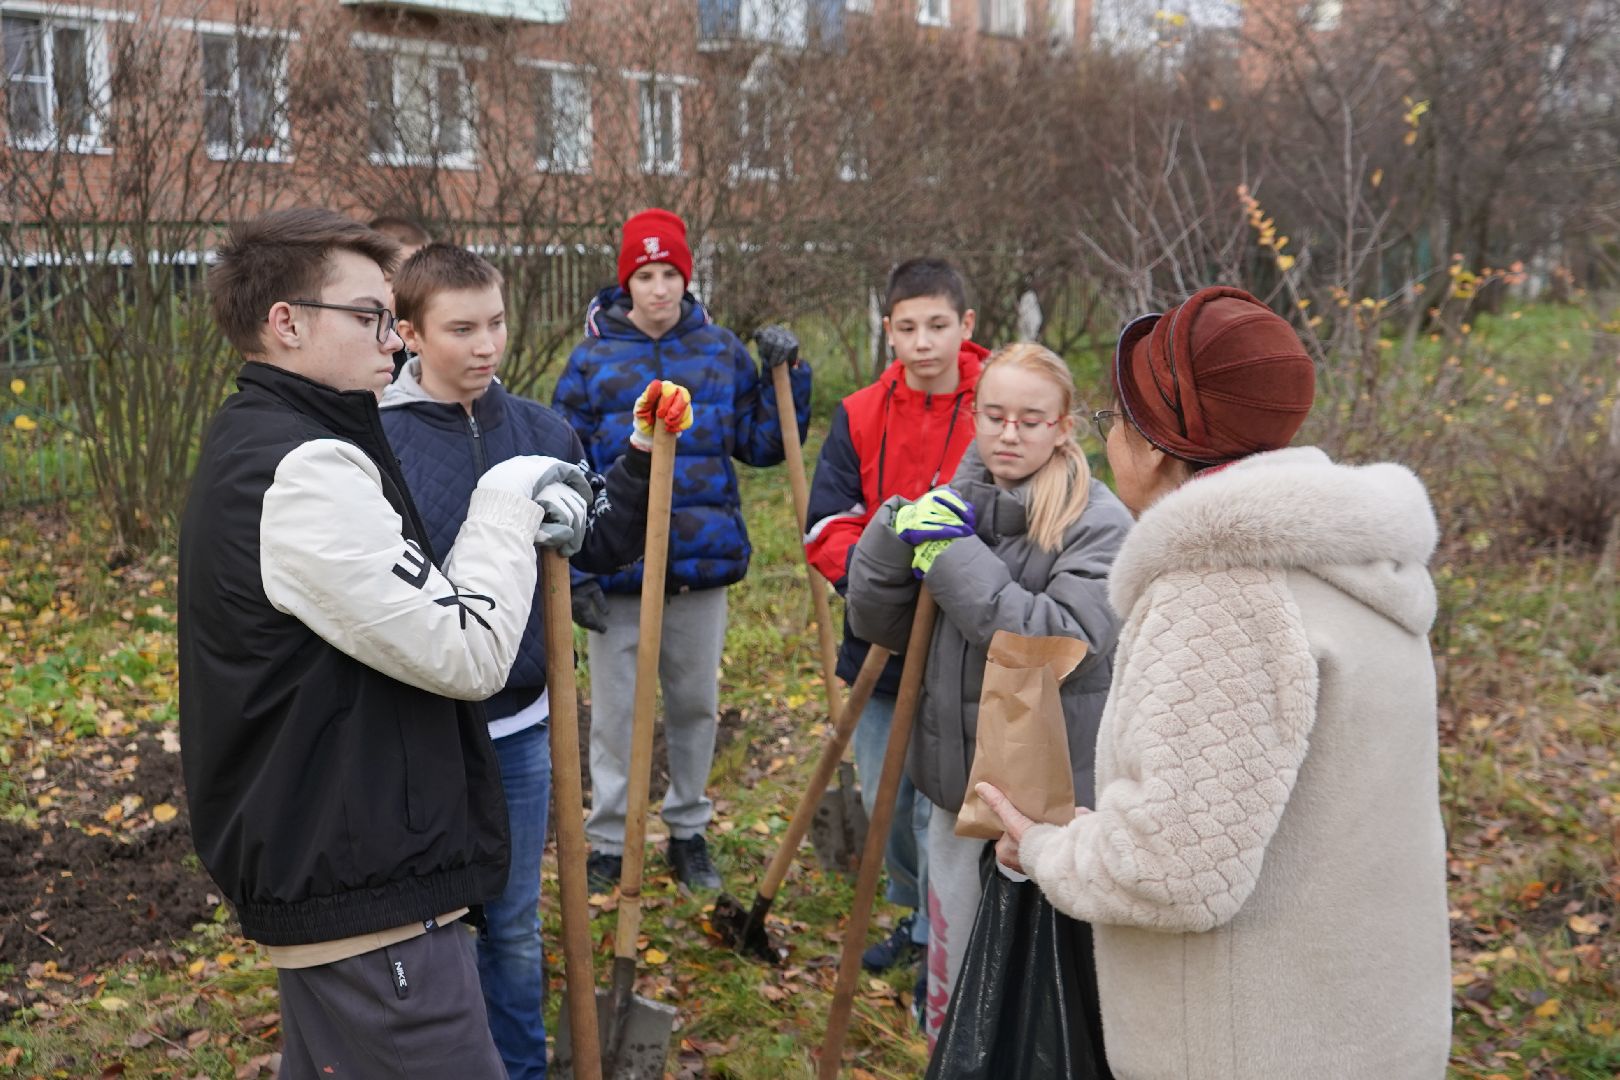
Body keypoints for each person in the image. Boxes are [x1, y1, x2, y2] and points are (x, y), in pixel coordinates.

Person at [979, 286, 1452, 1078]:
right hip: (1370, 1024)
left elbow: (1172, 873)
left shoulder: (1221, 593)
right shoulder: (1355, 564)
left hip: (1255, 1045)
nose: (1107, 440)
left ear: (1159, 446)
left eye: (1114, 420)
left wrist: (1047, 849)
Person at [178, 208, 595, 1079]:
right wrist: (507, 498)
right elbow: (468, 650)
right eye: (369, 316)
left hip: (346, 869)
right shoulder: (301, 471)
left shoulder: (274, 437)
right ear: (287, 323)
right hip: (365, 892)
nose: (393, 339)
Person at [379, 243, 690, 1080]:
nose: (486, 345)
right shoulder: (374, 442)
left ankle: (519, 1069)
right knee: (431, 924)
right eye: (461, 329)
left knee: (513, 922)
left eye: (496, 323)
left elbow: (605, 544)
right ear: (409, 333)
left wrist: (637, 454)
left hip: (519, 726)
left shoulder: (541, 431)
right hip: (417, 727)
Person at [844, 341, 1133, 1042]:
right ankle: (951, 1050)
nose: (1009, 433)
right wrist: (893, 533)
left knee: (1042, 982)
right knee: (956, 946)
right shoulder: (957, 501)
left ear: (1063, 427)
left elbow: (1056, 643)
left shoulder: (1098, 522)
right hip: (957, 783)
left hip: (1052, 799)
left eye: (1030, 420)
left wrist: (951, 555)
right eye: (994, 415)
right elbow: (881, 625)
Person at [552, 207, 812, 893]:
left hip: (700, 564)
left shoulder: (719, 351)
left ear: (687, 279)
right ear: (626, 283)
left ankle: (689, 831)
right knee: (615, 715)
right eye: (646, 276)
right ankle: (610, 839)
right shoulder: (591, 361)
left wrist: (787, 373)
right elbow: (566, 466)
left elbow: (761, 443)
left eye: (670, 274)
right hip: (617, 572)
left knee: (695, 704)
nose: (659, 288)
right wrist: (578, 569)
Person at [804, 257, 988, 998]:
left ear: (966, 325)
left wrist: (958, 578)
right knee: (890, 790)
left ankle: (957, 935)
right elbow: (828, 521)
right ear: (888, 330)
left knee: (950, 798)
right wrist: (880, 582)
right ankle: (917, 919)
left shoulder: (998, 404)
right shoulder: (859, 414)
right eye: (907, 328)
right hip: (880, 638)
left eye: (938, 325)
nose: (923, 343)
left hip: (969, 640)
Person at [367, 215, 433, 379]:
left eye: (423, 279)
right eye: (392, 280)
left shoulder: (430, 335)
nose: (413, 290)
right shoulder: (362, 339)